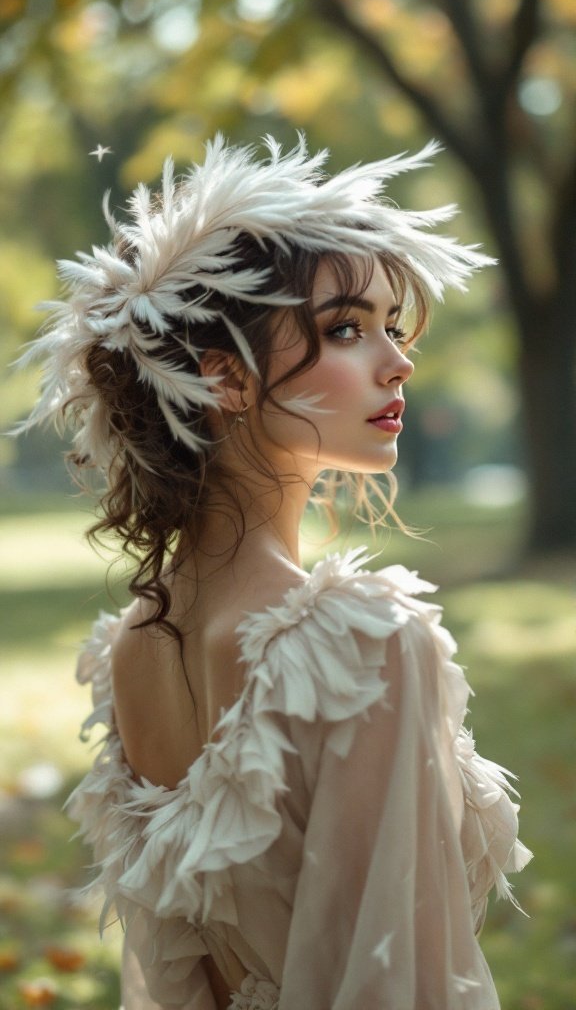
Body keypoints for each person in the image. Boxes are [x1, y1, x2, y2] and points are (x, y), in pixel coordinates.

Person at [19, 135, 531, 1010]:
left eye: (390, 327)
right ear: (225, 382)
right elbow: (388, 979)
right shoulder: (359, 642)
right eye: (344, 329)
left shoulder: (131, 649)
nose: (397, 360)